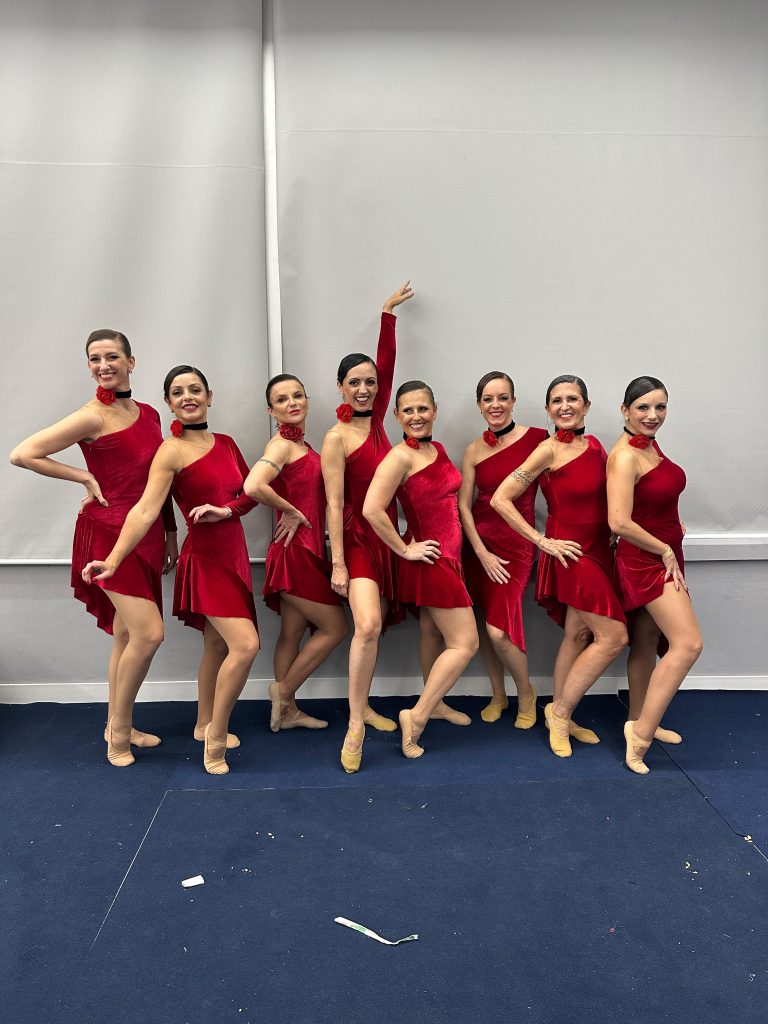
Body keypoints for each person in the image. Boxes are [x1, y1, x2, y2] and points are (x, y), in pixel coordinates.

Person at [9, 329, 178, 763]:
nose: (103, 365)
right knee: (149, 634)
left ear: (130, 362)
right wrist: (83, 476)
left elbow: (158, 483)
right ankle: (118, 735)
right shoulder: (90, 416)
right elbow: (23, 454)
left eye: (112, 357)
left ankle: (118, 723)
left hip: (146, 534)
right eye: (95, 358)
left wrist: (171, 531)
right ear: (89, 366)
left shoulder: (148, 414)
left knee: (126, 634)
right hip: (106, 532)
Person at [81, 365, 259, 774]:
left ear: (209, 396)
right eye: (178, 392)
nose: (187, 397)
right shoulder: (170, 451)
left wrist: (226, 510)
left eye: (195, 389)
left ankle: (202, 724)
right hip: (205, 560)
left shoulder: (227, 443)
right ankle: (215, 740)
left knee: (218, 646)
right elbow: (146, 508)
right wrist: (114, 558)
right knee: (246, 645)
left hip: (234, 556)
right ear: (168, 403)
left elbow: (250, 494)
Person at [491, 375, 627, 758]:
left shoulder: (596, 446)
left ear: (586, 405)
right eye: (557, 400)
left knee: (577, 634)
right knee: (613, 637)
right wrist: (541, 541)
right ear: (548, 409)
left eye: (572, 399)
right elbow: (501, 499)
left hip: (601, 550)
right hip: (571, 554)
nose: (565, 406)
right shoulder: (546, 450)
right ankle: (560, 714)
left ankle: (561, 711)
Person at [321, 283, 415, 772]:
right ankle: (355, 725)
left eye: (370, 383)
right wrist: (337, 562)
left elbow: (388, 363)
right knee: (368, 626)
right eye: (354, 382)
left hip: (389, 537)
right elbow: (334, 505)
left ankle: (369, 706)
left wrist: (387, 314)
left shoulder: (380, 422)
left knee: (381, 631)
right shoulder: (335, 438)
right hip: (357, 541)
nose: (364, 389)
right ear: (340, 387)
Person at [363, 381, 479, 759]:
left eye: (423, 408)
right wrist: (404, 549)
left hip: (450, 558)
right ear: (397, 415)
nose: (416, 416)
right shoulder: (399, 457)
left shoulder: (437, 449)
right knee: (465, 643)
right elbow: (371, 509)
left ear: (435, 410)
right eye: (408, 410)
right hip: (434, 561)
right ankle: (417, 716)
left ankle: (437, 702)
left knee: (432, 631)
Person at [607, 376, 703, 774]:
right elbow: (618, 521)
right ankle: (641, 736)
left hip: (666, 553)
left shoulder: (650, 445)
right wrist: (663, 548)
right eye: (643, 407)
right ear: (625, 410)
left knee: (647, 640)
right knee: (688, 644)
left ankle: (639, 717)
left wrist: (674, 527)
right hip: (646, 560)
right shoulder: (624, 456)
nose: (652, 415)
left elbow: (656, 497)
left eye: (660, 407)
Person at [245, 374, 348, 737]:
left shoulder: (301, 446)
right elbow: (253, 485)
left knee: (292, 631)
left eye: (297, 395)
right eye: (282, 399)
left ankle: (287, 712)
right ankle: (284, 693)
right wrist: (289, 510)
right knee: (336, 627)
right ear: (270, 410)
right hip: (295, 553)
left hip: (305, 550)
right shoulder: (280, 447)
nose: (292, 402)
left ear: (307, 400)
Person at [459, 372, 549, 726]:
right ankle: (498, 694)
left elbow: (565, 486)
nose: (495, 405)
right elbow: (464, 506)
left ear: (513, 401)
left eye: (502, 398)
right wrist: (480, 552)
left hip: (516, 547)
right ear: (479, 405)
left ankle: (526, 692)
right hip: (478, 547)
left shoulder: (539, 439)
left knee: (500, 631)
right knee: (485, 624)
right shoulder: (473, 449)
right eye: (488, 399)